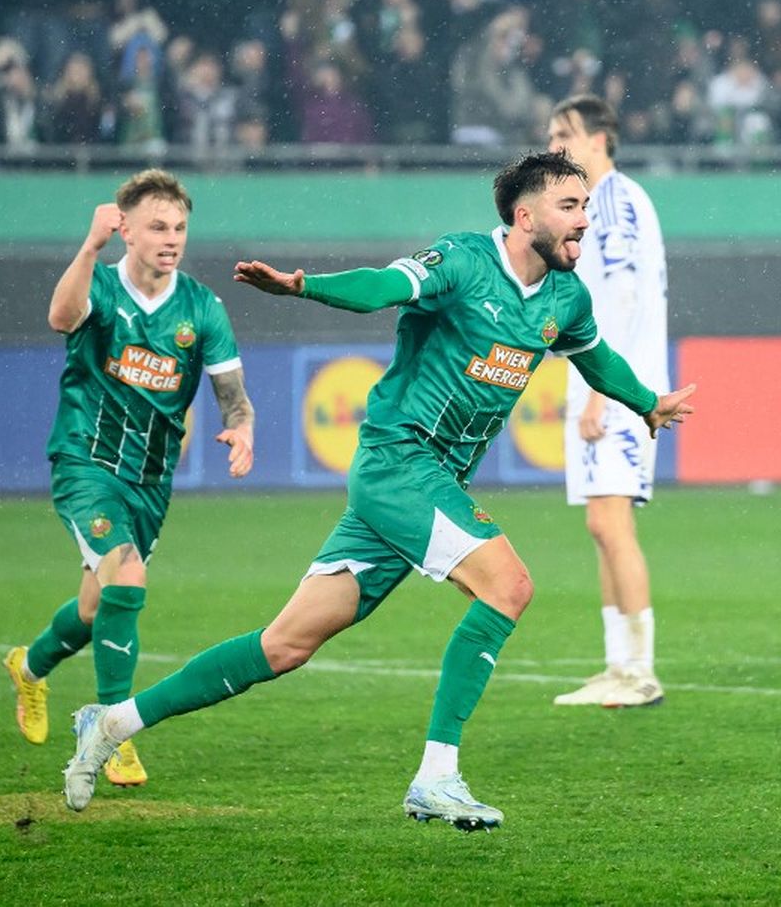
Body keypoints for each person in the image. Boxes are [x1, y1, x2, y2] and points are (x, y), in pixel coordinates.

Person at [59, 152, 696, 830]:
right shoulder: (463, 261)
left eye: (586, 207)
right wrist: (303, 286)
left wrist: (646, 403)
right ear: (524, 215)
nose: (584, 221)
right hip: (399, 462)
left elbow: (594, 356)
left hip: (428, 484)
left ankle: (112, 722)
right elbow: (383, 286)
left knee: (283, 646)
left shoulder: (566, 297)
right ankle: (437, 776)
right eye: (569, 207)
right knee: (508, 586)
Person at [3, 169, 255, 790]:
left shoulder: (201, 307)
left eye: (180, 228)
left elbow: (232, 394)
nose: (172, 239)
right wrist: (89, 247)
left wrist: (242, 428)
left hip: (150, 481)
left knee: (97, 607)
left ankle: (29, 668)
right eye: (158, 227)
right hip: (86, 463)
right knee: (129, 573)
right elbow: (61, 317)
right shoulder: (99, 285)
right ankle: (111, 728)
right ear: (127, 232)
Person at [545, 95, 672, 709]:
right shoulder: (590, 204)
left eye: (563, 135)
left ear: (599, 139)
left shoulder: (616, 200)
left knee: (610, 521)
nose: (553, 146)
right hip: (599, 379)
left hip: (621, 382)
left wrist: (602, 390)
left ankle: (641, 671)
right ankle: (618, 664)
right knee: (601, 524)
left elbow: (623, 297)